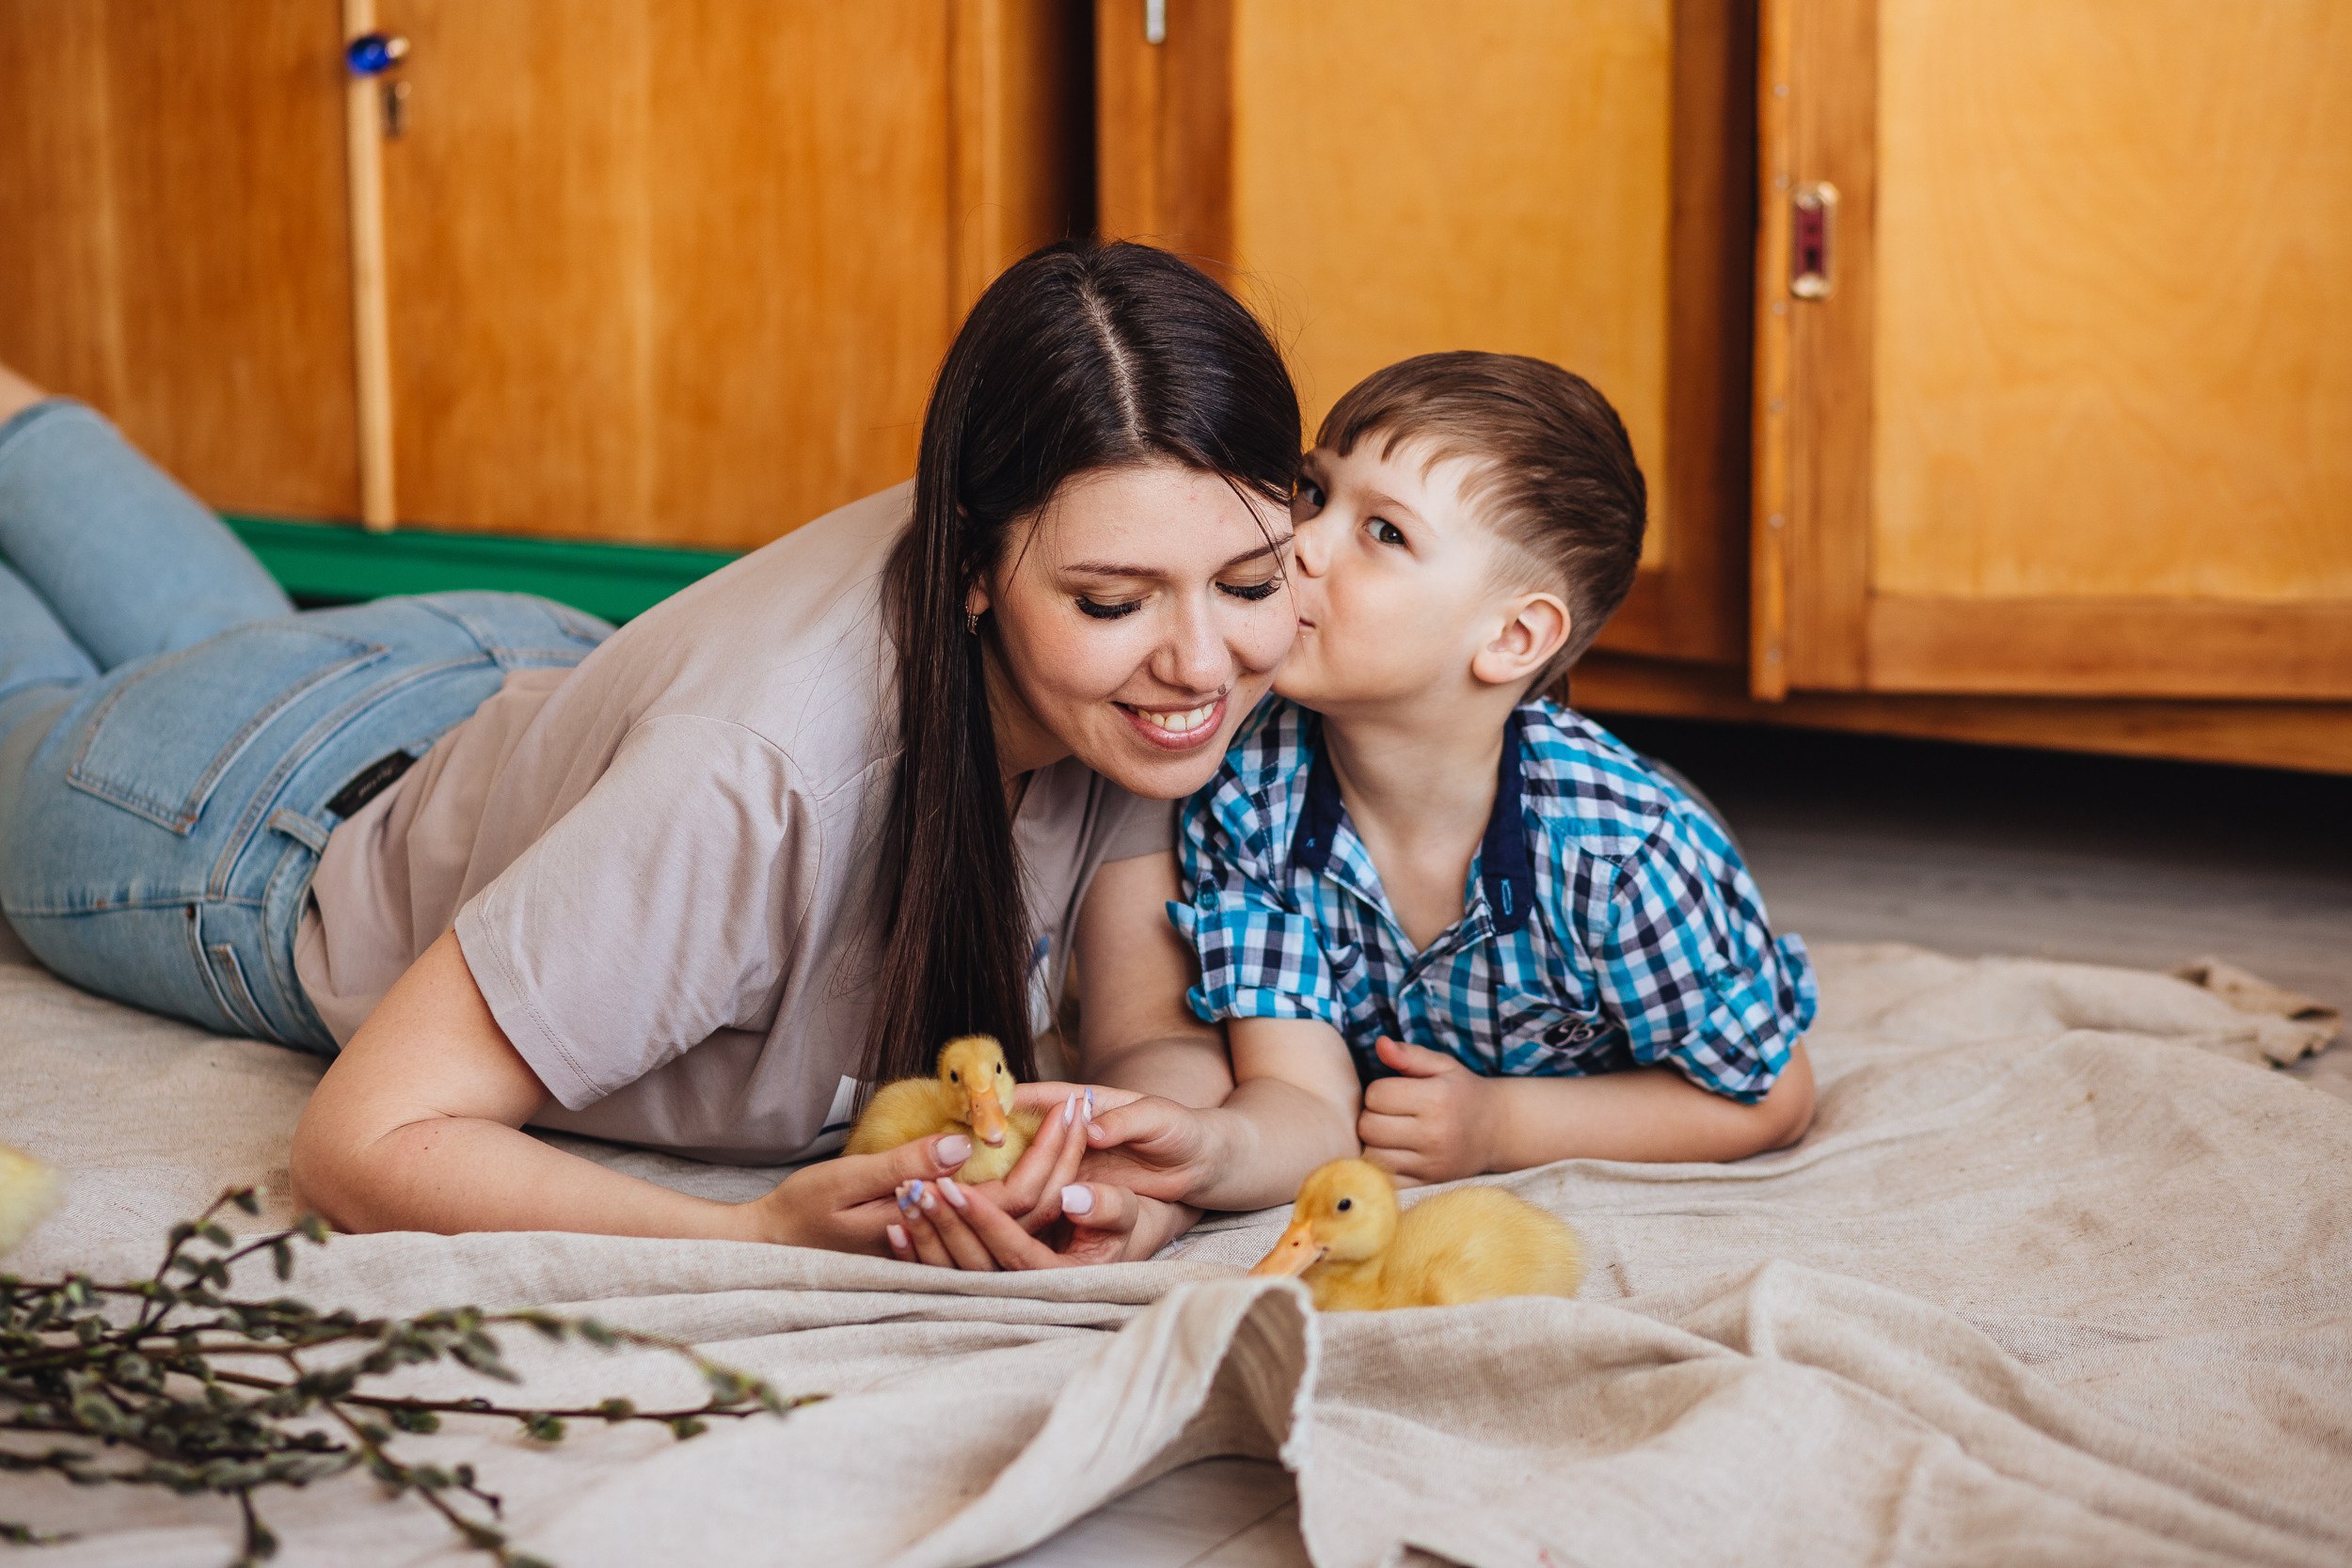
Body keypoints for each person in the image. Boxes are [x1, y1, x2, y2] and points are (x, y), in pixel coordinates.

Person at [0, 239, 1327, 1265]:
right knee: (39, 696)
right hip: (240, 826)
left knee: (222, 637)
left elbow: (1146, 1021)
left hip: (493, 673)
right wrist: (758, 1234)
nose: (1202, 663)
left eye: (1251, 582)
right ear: (972, 563)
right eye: (1114, 603)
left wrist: (1135, 1174)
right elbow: (364, 1140)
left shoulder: (1146, 663)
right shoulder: (758, 780)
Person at [989, 353, 1819, 1230]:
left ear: (1512, 634)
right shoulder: (1246, 788)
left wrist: (1503, 1123)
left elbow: (1773, 1095)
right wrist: (1200, 1143)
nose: (1298, 543)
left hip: (1602, 827)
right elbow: (1298, 1084)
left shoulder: (1626, 856)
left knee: (1691, 914)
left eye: (1384, 532)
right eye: (1313, 491)